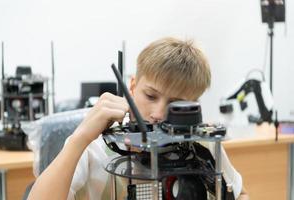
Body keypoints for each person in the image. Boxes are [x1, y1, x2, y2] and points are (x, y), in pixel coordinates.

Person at [27, 37, 249, 200]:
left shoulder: (201, 145)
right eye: (150, 96)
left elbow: (240, 194)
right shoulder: (96, 147)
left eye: (175, 104)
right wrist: (79, 139)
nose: (159, 114)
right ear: (132, 87)